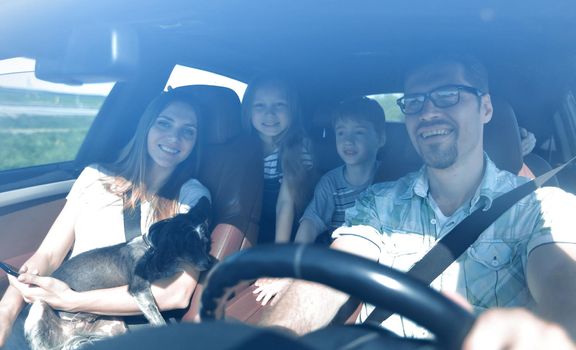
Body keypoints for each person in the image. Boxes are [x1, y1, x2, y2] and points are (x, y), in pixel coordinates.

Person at [258, 55, 576, 345]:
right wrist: (272, 339)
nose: (428, 112)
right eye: (414, 102)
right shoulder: (377, 203)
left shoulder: (541, 207)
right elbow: (326, 280)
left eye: (448, 95)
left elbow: (562, 283)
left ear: (486, 108)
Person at [0, 87, 211, 348]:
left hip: (123, 323)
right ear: (146, 126)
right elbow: (49, 255)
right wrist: (6, 313)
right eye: (164, 124)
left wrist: (71, 300)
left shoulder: (193, 198)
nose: (174, 138)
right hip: (57, 311)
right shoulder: (95, 175)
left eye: (187, 131)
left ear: (195, 142)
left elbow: (176, 294)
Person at [241, 74, 315, 244]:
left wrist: (279, 249)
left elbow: (285, 204)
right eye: (260, 106)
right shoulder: (242, 147)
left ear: (293, 110)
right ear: (248, 111)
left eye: (279, 105)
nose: (269, 113)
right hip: (246, 225)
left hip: (282, 228)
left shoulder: (296, 147)